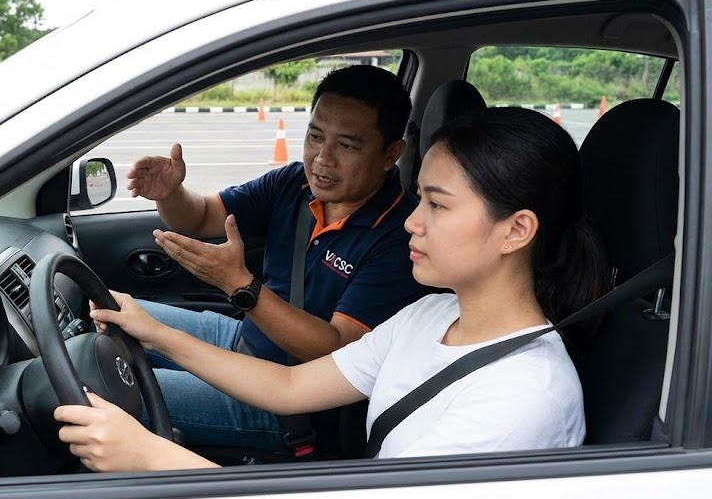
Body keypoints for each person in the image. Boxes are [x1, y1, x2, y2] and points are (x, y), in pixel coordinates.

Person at [54, 106, 610, 471]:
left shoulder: (521, 397)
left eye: (437, 205)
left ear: (516, 230)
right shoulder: (434, 315)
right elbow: (291, 387)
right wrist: (157, 333)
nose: (413, 222)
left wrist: (153, 457)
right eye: (419, 199)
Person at [122, 65, 431, 451]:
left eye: (347, 146)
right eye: (315, 136)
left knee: (109, 386)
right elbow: (201, 216)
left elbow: (336, 350)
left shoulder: (402, 236)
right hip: (242, 338)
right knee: (109, 313)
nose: (323, 159)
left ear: (391, 154)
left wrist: (240, 286)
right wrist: (170, 194)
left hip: (291, 402)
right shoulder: (293, 183)